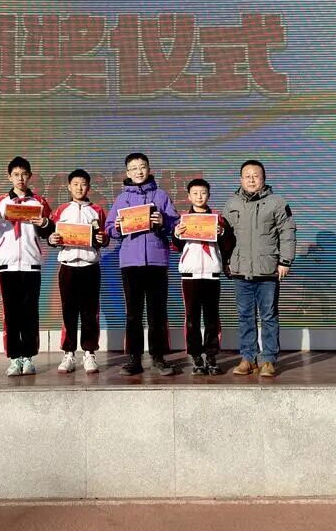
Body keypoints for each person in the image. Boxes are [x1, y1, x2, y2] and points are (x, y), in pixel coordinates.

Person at [104, 153, 180, 376]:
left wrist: (164, 221)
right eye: (134, 168)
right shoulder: (122, 198)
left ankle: (158, 357)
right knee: (133, 314)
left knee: (157, 313)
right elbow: (109, 228)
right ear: (127, 172)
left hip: (157, 261)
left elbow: (176, 225)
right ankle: (134, 359)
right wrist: (117, 227)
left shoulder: (161, 195)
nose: (139, 171)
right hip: (130, 262)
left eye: (142, 167)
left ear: (149, 169)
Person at [0, 156, 53, 377]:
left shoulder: (39, 202)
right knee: (11, 313)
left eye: (24, 174)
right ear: (9, 177)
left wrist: (44, 223)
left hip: (31, 264)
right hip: (7, 265)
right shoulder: (0, 203)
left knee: (30, 313)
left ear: (30, 176)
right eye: (16, 174)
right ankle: (14, 358)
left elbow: (50, 233)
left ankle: (28, 357)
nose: (20, 178)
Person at [223, 160, 295, 378]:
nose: (252, 179)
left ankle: (268, 360)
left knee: (269, 316)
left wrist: (285, 261)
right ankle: (248, 358)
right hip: (240, 271)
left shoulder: (277, 202)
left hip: (268, 271)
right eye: (247, 176)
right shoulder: (232, 203)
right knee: (244, 316)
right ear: (241, 179)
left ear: (263, 178)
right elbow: (225, 237)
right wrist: (225, 261)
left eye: (256, 175)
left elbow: (287, 232)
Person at [48, 169, 108, 374]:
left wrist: (103, 239)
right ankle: (69, 354)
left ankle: (89, 353)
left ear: (88, 187)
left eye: (83, 184)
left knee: (90, 312)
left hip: (90, 267)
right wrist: (52, 239)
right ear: (69, 186)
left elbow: (104, 237)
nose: (79, 188)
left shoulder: (97, 210)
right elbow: (52, 237)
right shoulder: (61, 210)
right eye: (75, 184)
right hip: (68, 267)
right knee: (69, 311)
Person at [172, 178, 234, 376]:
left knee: (212, 318)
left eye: (203, 193)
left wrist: (222, 233)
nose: (199, 196)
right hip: (190, 275)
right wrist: (176, 234)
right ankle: (196, 356)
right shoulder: (182, 220)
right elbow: (176, 246)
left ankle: (212, 356)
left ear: (209, 195)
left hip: (212, 274)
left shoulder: (218, 219)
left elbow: (228, 244)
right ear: (189, 196)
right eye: (195, 193)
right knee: (191, 319)